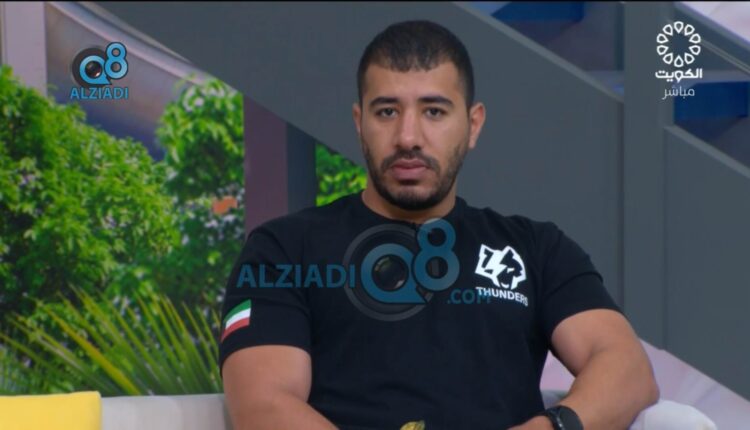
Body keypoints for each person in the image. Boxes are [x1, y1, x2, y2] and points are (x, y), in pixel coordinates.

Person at [220, 20, 659, 430]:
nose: (408, 137)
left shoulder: (535, 249)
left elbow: (627, 369)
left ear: (473, 125)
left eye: (433, 111)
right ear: (359, 123)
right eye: (386, 112)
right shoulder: (283, 250)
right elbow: (264, 405)